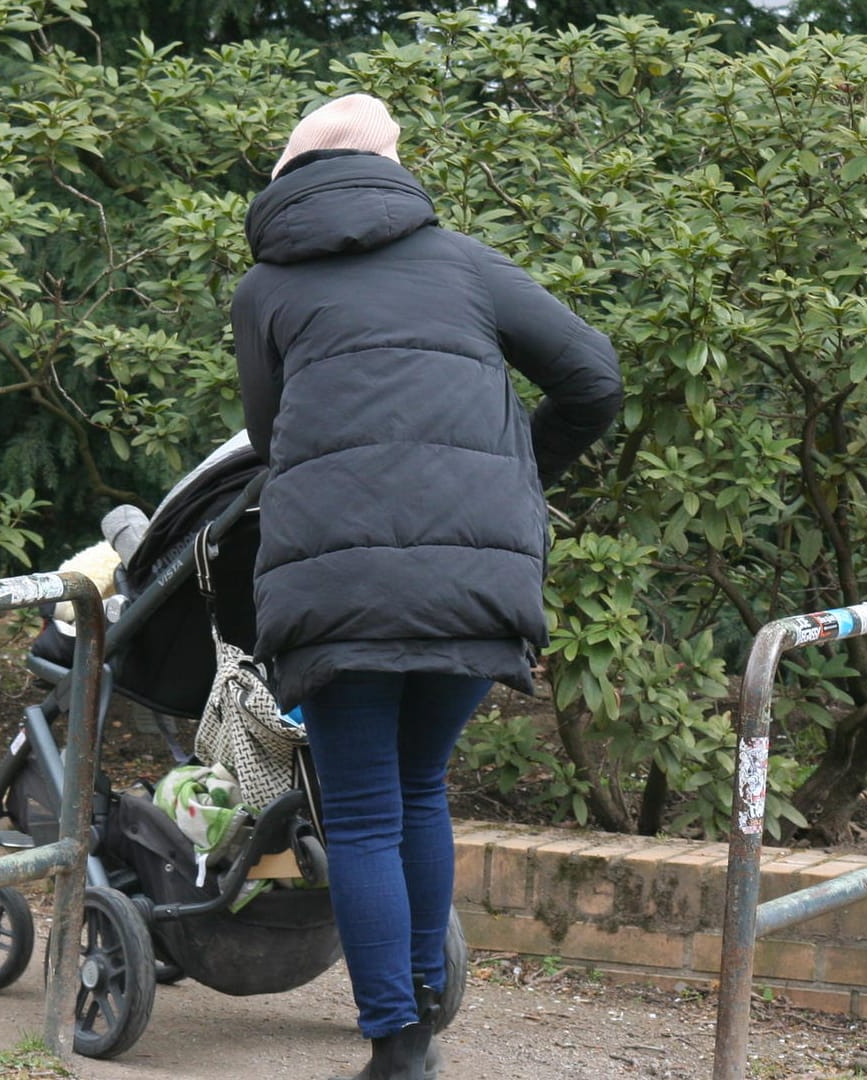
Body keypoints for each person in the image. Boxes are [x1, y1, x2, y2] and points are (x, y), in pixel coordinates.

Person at [230, 94, 624, 1080]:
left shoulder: (266, 291)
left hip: (337, 580)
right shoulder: (465, 264)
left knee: (362, 808)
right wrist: (511, 483)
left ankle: (400, 1046)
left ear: (290, 176)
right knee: (417, 792)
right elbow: (593, 380)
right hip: (474, 575)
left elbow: (273, 443)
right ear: (391, 168)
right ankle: (417, 1021)